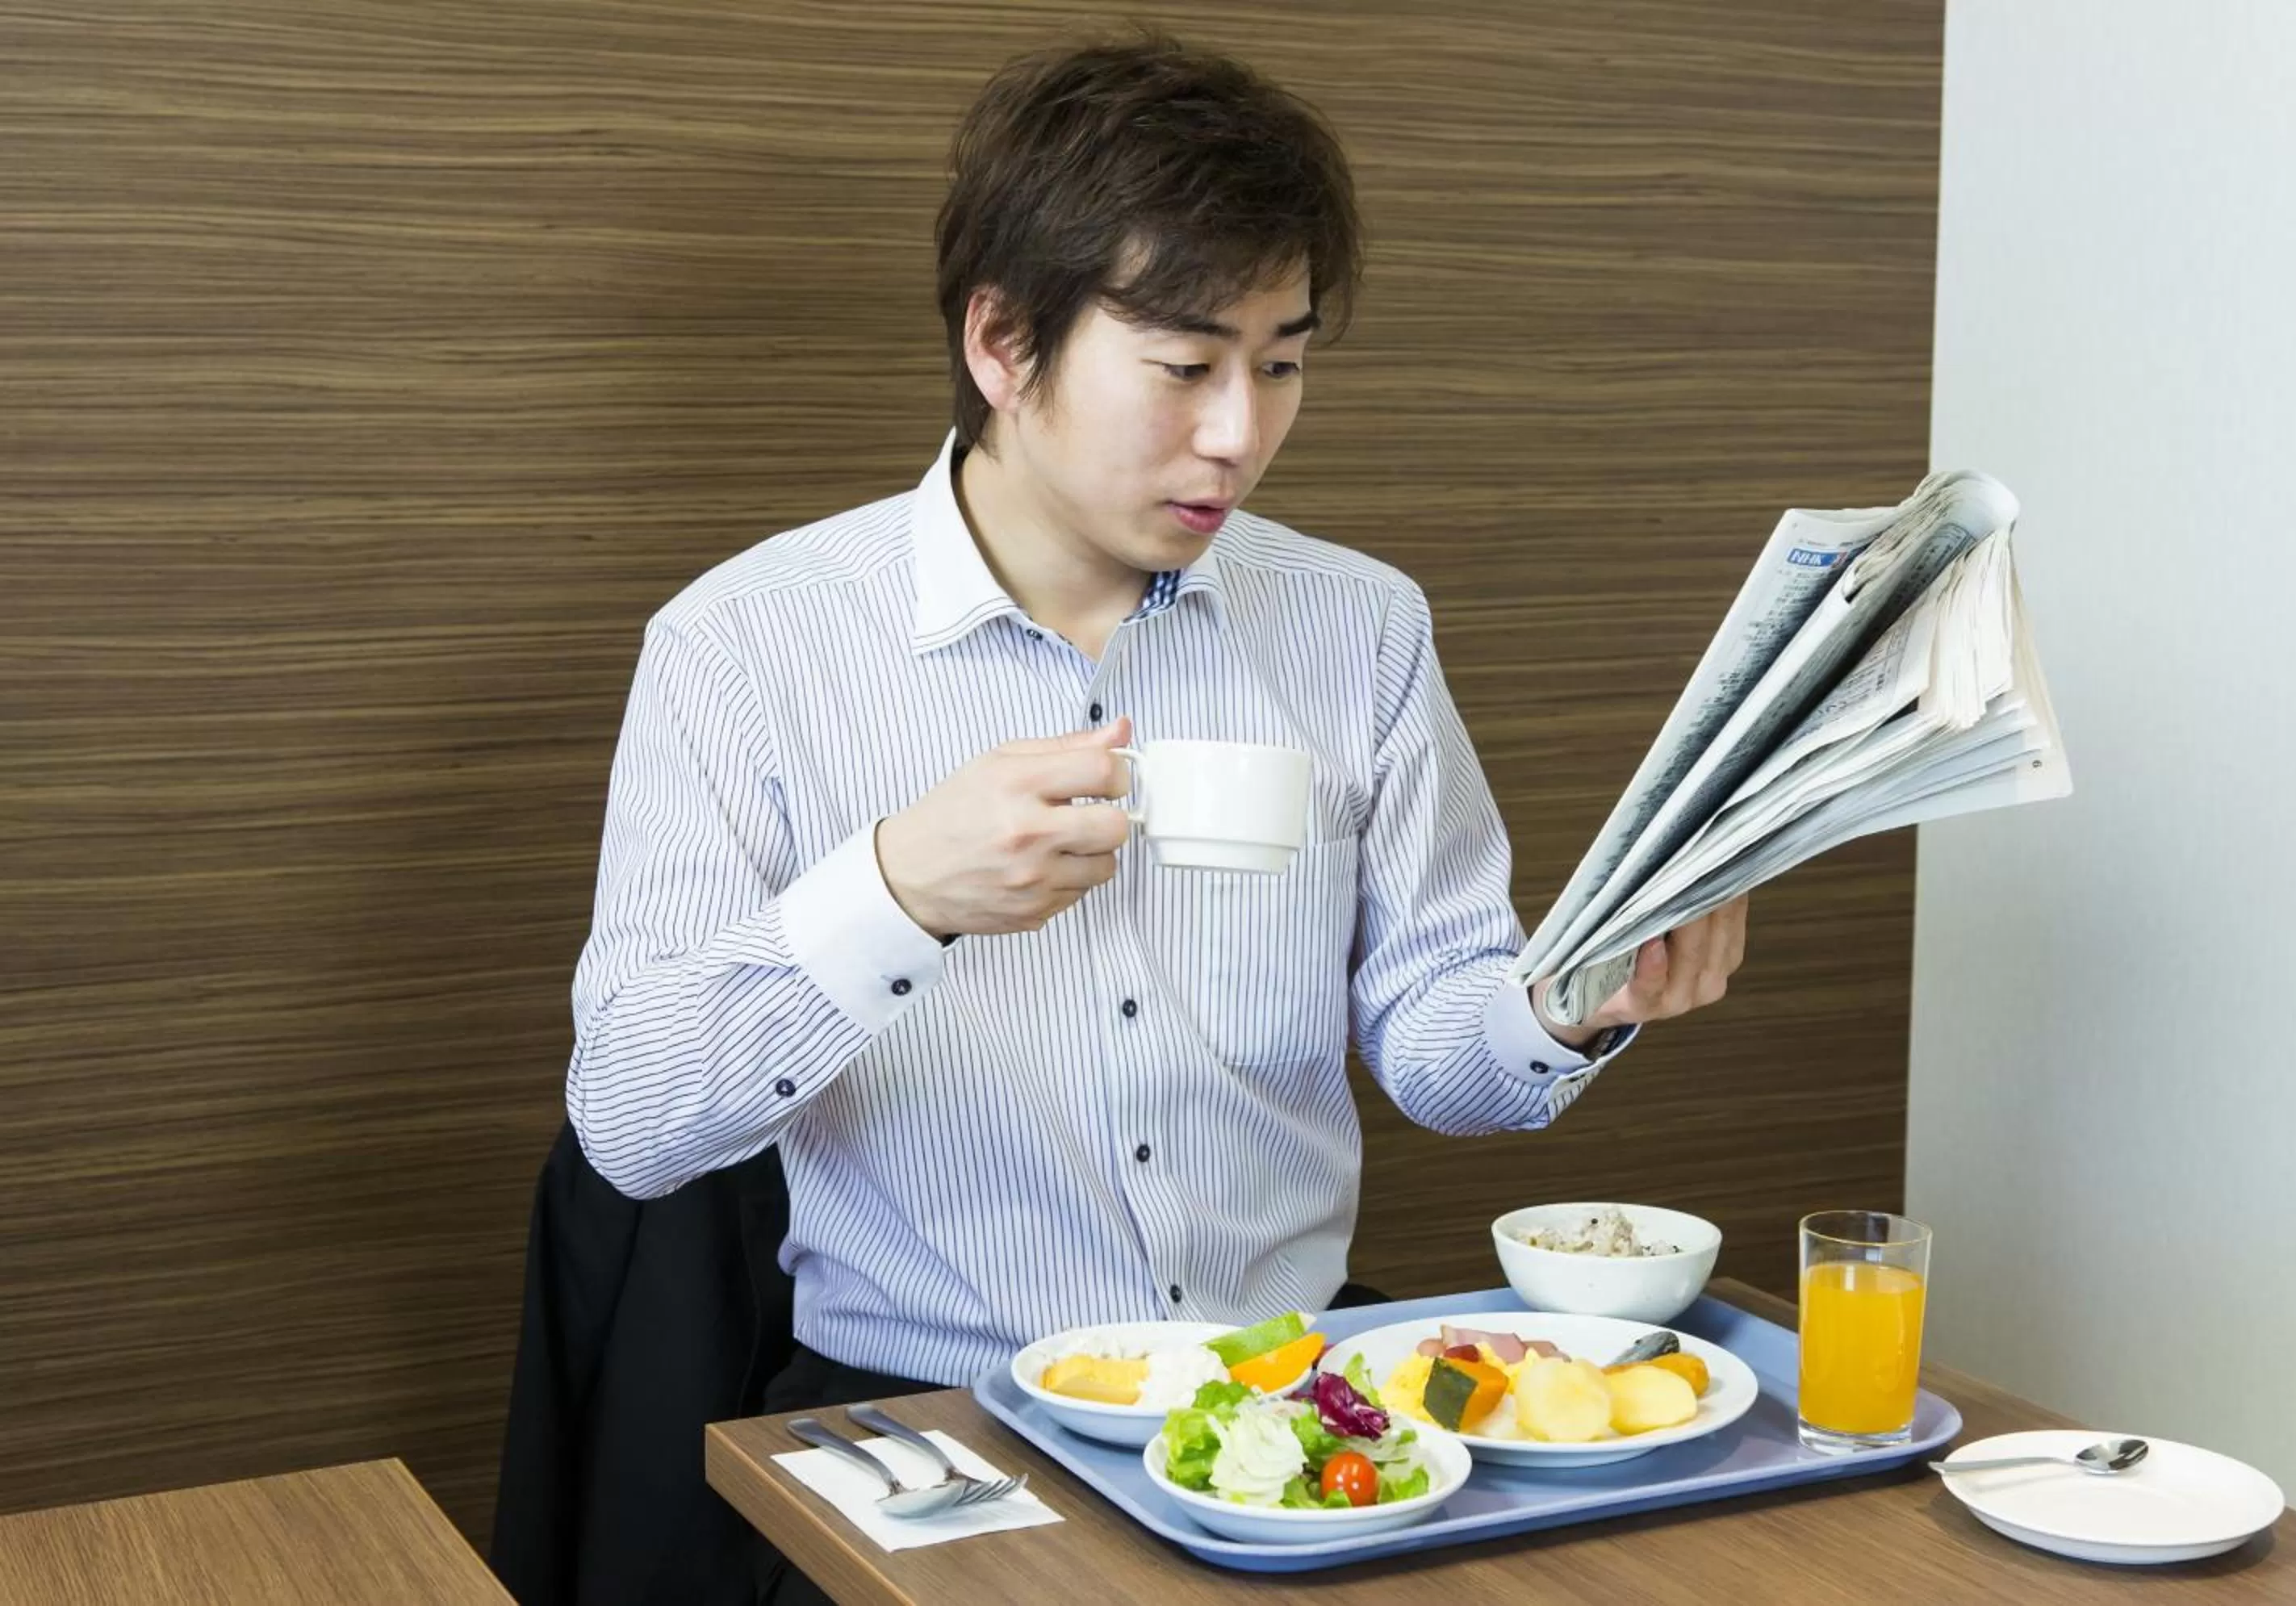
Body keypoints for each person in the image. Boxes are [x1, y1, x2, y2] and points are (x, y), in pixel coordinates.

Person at [565, 33, 1747, 1593]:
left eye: (1283, 360)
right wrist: (894, 893)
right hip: (933, 1434)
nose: (1239, 433)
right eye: (1185, 365)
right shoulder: (746, 645)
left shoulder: (1357, 627)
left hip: (1308, 1414)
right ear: (1004, 341)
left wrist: (1567, 1001)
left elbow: (1438, 1049)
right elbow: (634, 1124)